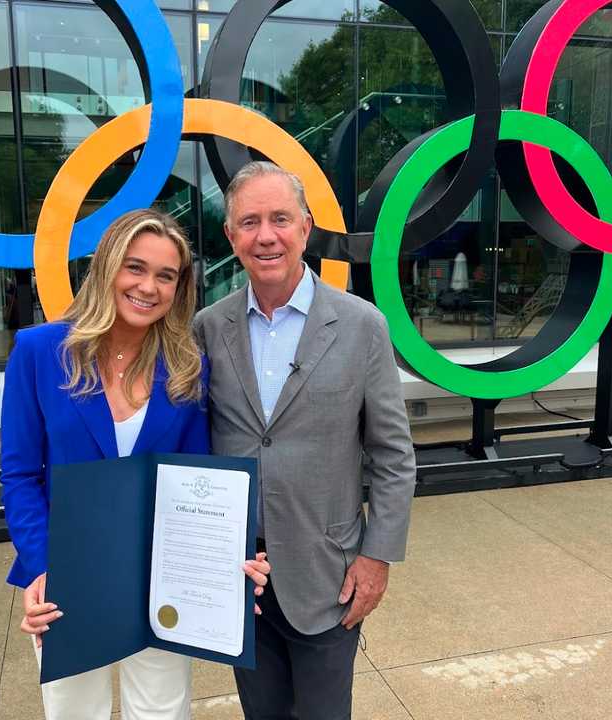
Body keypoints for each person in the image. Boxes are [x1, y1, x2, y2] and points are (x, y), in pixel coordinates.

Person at [0, 209, 270, 720]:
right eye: (135, 267)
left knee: (163, 712)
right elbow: (18, 476)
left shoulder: (188, 366)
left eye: (165, 276)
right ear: (107, 268)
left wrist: (226, 562)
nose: (149, 286)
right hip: (72, 573)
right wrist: (42, 565)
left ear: (179, 287)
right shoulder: (39, 352)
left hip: (162, 573)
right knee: (75, 712)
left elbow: (200, 483)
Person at [194, 162, 416, 720]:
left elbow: (392, 455)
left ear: (306, 227)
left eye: (280, 219)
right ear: (231, 236)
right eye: (249, 222)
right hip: (240, 576)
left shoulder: (362, 324)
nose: (265, 235)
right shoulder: (206, 328)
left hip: (329, 577)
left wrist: (378, 556)